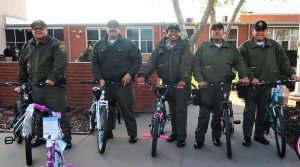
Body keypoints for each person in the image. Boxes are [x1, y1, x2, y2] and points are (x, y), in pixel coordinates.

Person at [239, 20, 300, 147]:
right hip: (251, 86)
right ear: (253, 31)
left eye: (263, 31)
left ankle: (259, 135)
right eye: (258, 30)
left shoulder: (274, 45)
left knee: (263, 111)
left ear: (266, 32)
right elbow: (241, 65)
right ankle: (247, 136)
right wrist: (251, 78)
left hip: (267, 84)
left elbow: (284, 62)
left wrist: (291, 73)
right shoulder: (245, 46)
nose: (260, 33)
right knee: (250, 111)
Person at [15, 19, 72, 149]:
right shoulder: (27, 45)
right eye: (35, 29)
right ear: (33, 31)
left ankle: (66, 138)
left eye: (41, 28)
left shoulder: (57, 44)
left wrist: (52, 78)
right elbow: (22, 67)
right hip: (35, 87)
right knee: (38, 114)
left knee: (59, 113)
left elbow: (61, 63)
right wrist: (22, 84)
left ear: (46, 29)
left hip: (53, 87)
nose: (38, 31)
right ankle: (41, 136)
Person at [192, 22, 249, 149]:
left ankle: (216, 137)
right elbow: (196, 64)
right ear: (211, 32)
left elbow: (239, 62)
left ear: (223, 32)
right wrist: (199, 80)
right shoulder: (203, 47)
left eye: (219, 29)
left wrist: (244, 76)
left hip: (224, 86)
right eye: (214, 30)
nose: (217, 31)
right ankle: (199, 139)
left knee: (218, 114)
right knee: (204, 114)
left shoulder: (231, 48)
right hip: (206, 86)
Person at [137, 23, 192, 147]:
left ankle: (181, 137)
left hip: (181, 84)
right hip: (167, 83)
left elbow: (186, 63)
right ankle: (174, 133)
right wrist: (143, 75)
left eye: (175, 31)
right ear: (167, 33)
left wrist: (184, 79)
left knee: (181, 110)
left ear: (178, 33)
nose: (173, 33)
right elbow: (152, 62)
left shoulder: (184, 46)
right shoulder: (160, 47)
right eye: (171, 31)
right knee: (172, 110)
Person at [92, 19, 142, 144]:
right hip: (106, 84)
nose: (112, 28)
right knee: (107, 110)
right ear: (107, 29)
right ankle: (108, 132)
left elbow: (137, 59)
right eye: (110, 26)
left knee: (127, 110)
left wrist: (130, 74)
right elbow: (95, 64)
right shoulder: (99, 45)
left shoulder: (128, 44)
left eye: (115, 26)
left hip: (123, 85)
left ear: (119, 29)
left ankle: (132, 135)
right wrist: (99, 78)